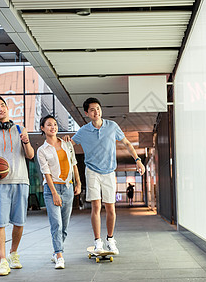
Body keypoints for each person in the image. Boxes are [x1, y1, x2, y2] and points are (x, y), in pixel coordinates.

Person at [65, 97, 145, 254]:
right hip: (92, 171)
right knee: (96, 206)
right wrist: (67, 139)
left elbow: (127, 144)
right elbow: (69, 144)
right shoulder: (83, 131)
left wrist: (138, 160)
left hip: (109, 172)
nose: (96, 112)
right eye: (92, 110)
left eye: (98, 109)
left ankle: (110, 239)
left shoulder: (112, 126)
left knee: (110, 207)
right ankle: (97, 242)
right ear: (87, 113)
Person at [0, 95, 34, 276]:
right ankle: (2, 260)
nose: (1, 109)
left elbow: (30, 155)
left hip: (21, 180)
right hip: (0, 182)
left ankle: (13, 253)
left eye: (2, 105)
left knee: (19, 222)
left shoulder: (20, 129)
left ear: (7, 107)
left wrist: (26, 141)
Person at [37, 115, 81, 269]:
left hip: (68, 187)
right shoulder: (42, 150)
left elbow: (74, 164)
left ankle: (57, 251)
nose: (53, 127)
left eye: (55, 124)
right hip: (52, 189)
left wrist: (78, 182)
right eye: (49, 125)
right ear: (42, 128)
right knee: (56, 224)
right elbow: (46, 173)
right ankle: (60, 255)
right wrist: (54, 193)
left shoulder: (67, 144)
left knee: (65, 226)